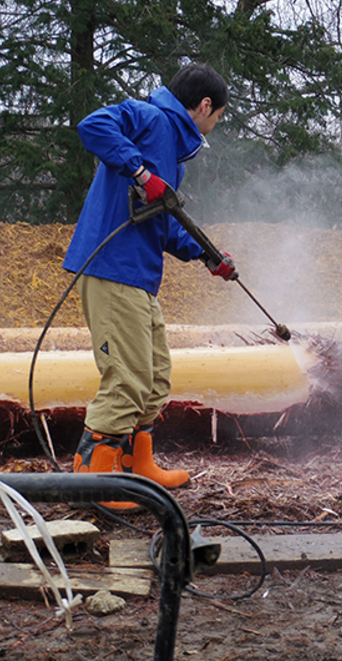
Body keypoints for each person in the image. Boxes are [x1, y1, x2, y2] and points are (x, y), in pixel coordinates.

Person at [63, 63, 237, 508]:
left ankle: (134, 466)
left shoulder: (171, 149)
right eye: (217, 116)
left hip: (138, 275)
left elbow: (160, 220)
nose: (214, 124)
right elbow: (93, 125)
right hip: (111, 267)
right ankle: (92, 487)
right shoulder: (149, 117)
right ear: (203, 106)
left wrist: (207, 255)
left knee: (155, 377)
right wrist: (140, 172)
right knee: (127, 378)